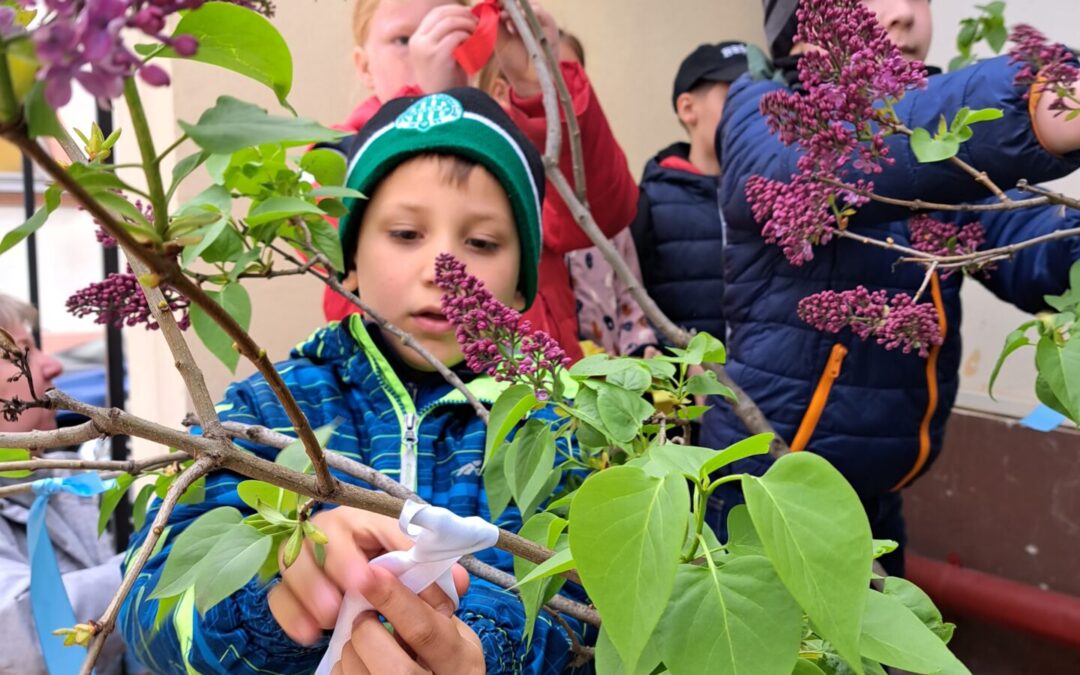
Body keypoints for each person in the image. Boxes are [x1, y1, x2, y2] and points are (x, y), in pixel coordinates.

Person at [119, 88, 585, 674]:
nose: (443, 268)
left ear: (522, 282)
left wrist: (484, 652)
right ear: (352, 264)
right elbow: (145, 614)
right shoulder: (263, 411)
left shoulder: (557, 428)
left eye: (482, 242)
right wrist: (269, 611)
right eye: (406, 234)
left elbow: (587, 605)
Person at [703, 0, 1080, 576]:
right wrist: (1036, 95)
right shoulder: (762, 109)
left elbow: (1024, 244)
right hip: (764, 487)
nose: (905, 14)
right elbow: (804, 170)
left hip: (876, 497)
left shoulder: (936, 149)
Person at [324, 0, 639, 364]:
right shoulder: (335, 157)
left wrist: (540, 84)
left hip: (532, 399)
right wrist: (429, 106)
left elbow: (601, 215)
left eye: (448, 26)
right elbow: (338, 275)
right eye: (402, 39)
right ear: (364, 66)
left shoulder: (509, 148)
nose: (431, 45)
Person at [0, 293, 129, 675]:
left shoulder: (62, 479)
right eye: (22, 352)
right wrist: (159, 560)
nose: (52, 366)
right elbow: (21, 639)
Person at [630, 41, 749, 341]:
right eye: (735, 95)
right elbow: (629, 307)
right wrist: (679, 358)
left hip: (763, 383)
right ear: (687, 108)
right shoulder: (650, 201)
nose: (751, 108)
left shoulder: (777, 194)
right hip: (686, 383)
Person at [557, 29, 657, 356]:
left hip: (609, 377)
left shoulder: (602, 197)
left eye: (572, 80)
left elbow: (630, 297)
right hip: (551, 377)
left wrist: (642, 350)